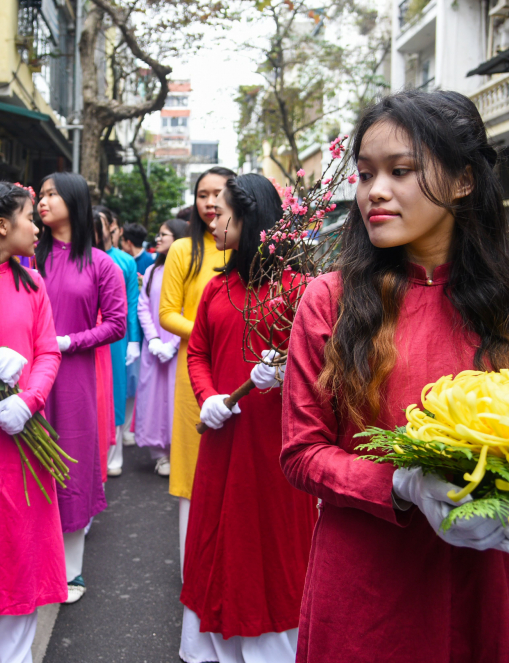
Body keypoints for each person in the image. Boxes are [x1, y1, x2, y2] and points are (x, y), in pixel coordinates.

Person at [281, 90, 509, 663]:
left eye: (400, 170)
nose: (373, 192)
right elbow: (300, 452)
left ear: (463, 180)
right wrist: (402, 483)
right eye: (365, 174)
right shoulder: (329, 300)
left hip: (483, 584)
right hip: (364, 591)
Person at [181, 174, 318, 663]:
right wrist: (208, 396)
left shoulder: (299, 289)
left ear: (252, 219)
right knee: (215, 540)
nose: (213, 219)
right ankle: (212, 648)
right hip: (223, 436)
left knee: (271, 547)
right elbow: (197, 352)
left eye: (225, 213)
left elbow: (326, 367)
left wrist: (285, 374)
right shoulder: (218, 288)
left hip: (273, 446)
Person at [0, 181, 66, 663]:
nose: (37, 224)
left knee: (21, 552)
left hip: (21, 436)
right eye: (28, 216)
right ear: (1, 225)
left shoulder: (33, 282)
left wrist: (30, 400)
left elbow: (47, 351)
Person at [35, 172, 126, 604]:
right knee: (29, 463)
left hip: (73, 379)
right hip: (26, 375)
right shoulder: (27, 257)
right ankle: (33, 564)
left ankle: (71, 572)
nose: (43, 201)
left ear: (74, 200)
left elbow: (116, 323)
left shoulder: (101, 263)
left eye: (52, 194)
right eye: (42, 193)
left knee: (70, 464)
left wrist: (70, 341)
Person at [157, 165, 235, 574]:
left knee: (235, 471)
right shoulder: (183, 250)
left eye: (218, 194)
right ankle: (194, 569)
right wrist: (209, 332)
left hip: (241, 371)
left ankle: (229, 566)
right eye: (202, 194)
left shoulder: (247, 247)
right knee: (192, 472)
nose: (209, 203)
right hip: (196, 370)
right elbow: (167, 314)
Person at [136, 218, 188, 476]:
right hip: (154, 347)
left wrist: (175, 342)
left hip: (181, 347)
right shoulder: (152, 272)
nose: (158, 239)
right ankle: (160, 455)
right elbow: (143, 306)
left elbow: (192, 310)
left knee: (176, 399)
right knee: (153, 399)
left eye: (164, 234)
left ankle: (180, 452)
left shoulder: (189, 270)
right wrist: (153, 339)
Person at [93, 206, 141, 477]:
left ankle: (114, 454)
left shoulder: (125, 261)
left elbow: (131, 305)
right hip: (87, 333)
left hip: (116, 336)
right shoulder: (82, 258)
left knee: (116, 391)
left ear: (112, 227)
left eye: (101, 225)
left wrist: (133, 340)